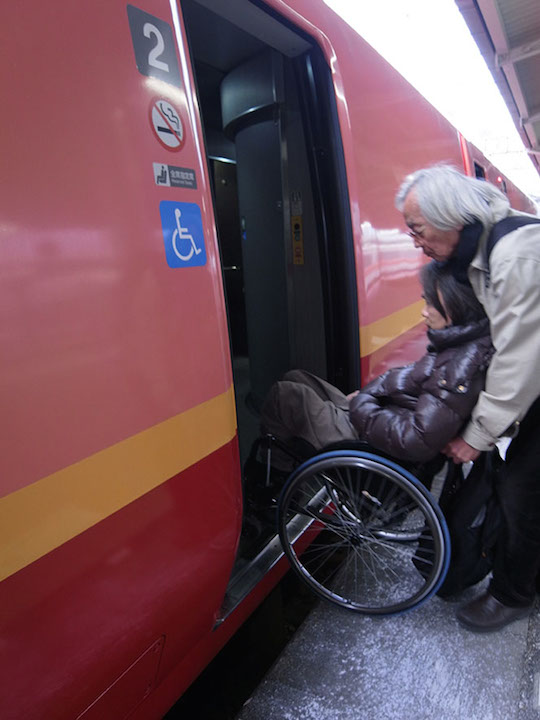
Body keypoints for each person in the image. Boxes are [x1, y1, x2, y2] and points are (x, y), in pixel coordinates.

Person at [395, 164, 540, 632]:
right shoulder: (480, 250)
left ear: (452, 217)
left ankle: (514, 594)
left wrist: (477, 434)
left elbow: (520, 357)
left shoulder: (516, 254)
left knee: (521, 488)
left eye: (417, 229)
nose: (414, 240)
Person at [257, 262, 493, 477]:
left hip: (372, 445)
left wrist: (361, 405)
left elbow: (415, 438)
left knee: (284, 396)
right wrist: (366, 398)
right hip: (382, 418)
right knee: (296, 377)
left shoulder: (457, 369)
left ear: (455, 308)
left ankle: (273, 477)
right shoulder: (457, 349)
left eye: (430, 304)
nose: (424, 311)